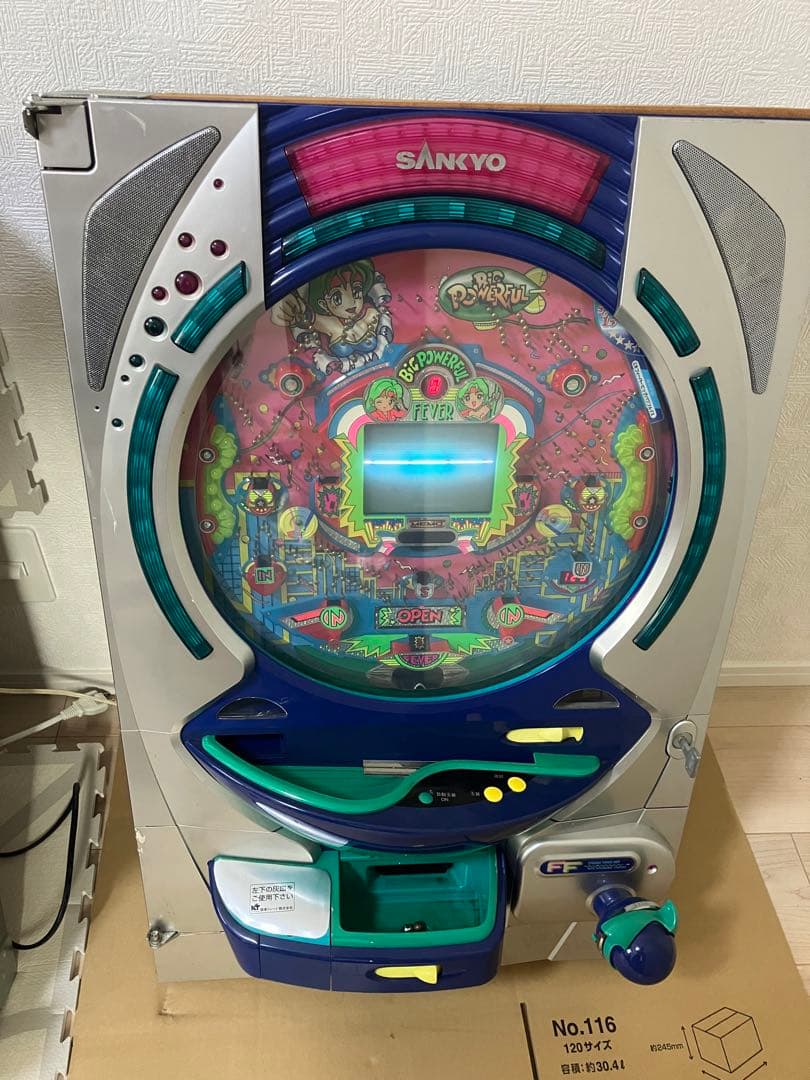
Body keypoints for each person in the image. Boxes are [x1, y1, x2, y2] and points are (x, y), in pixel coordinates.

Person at [271, 260, 392, 374]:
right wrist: (287, 308)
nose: (351, 303)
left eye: (356, 292)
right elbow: (304, 316)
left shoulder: (370, 313)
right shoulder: (329, 323)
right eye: (337, 298)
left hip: (386, 370)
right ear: (323, 304)